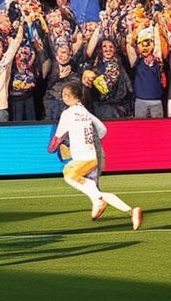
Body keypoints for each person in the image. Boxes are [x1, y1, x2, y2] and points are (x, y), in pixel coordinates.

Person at [48, 84, 143, 229]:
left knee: (68, 175)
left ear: (67, 96)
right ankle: (100, 203)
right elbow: (102, 130)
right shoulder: (85, 112)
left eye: (64, 94)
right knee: (92, 189)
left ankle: (129, 210)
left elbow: (57, 139)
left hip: (82, 159)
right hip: (93, 157)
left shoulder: (67, 114)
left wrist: (52, 149)